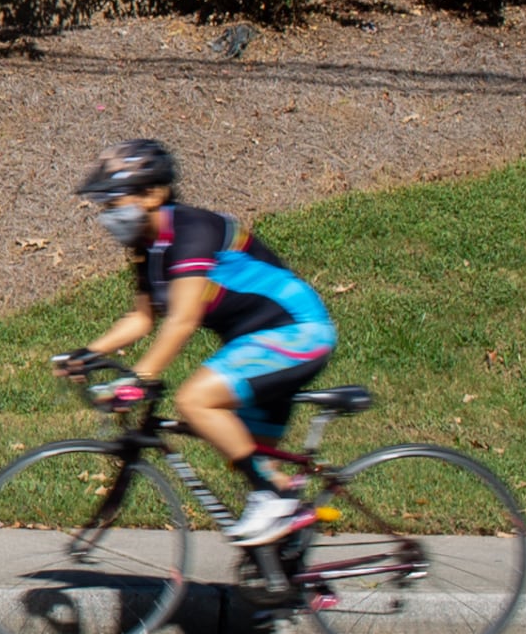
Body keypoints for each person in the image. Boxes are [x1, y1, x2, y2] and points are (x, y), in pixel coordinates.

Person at [56, 139, 339, 546]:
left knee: (195, 402)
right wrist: (88, 353)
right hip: (256, 341)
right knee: (254, 465)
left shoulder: (190, 231)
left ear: (153, 194)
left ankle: (279, 500)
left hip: (297, 332)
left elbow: (183, 319)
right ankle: (290, 584)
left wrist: (141, 377)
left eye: (115, 202)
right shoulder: (147, 248)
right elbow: (142, 317)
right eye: (105, 207)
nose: (108, 216)